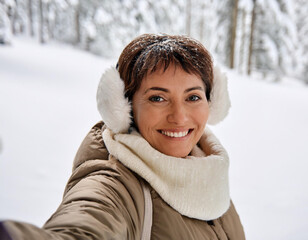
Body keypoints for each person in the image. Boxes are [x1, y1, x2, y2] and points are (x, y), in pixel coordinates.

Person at [0, 34, 245, 239]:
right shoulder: (116, 184)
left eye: (193, 97)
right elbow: (85, 223)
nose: (179, 117)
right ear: (123, 108)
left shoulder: (207, 169)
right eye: (157, 98)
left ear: (213, 103)